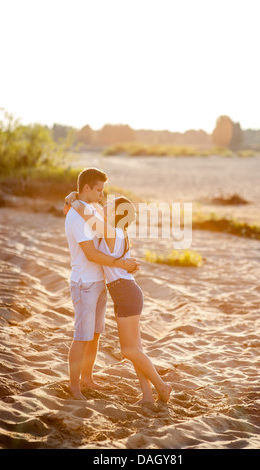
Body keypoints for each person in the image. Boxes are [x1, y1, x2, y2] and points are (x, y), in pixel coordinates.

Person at [65, 191, 172, 405]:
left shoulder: (112, 232)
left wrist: (73, 200)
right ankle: (147, 396)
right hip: (125, 292)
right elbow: (97, 215)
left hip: (125, 293)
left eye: (110, 205)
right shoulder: (120, 232)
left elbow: (88, 216)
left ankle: (162, 386)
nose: (105, 204)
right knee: (136, 350)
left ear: (116, 214)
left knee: (129, 350)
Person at [64, 167, 139, 400]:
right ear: (87, 187)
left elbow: (102, 222)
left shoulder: (90, 209)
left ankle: (87, 379)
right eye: (98, 189)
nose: (102, 195)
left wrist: (71, 197)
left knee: (95, 334)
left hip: (99, 283)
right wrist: (120, 263)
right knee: (82, 336)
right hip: (84, 283)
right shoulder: (77, 216)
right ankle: (74, 386)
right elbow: (91, 254)